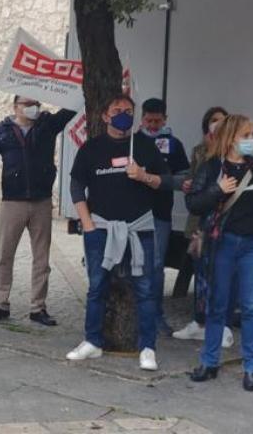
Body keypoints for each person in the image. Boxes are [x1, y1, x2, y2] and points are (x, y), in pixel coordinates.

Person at [186, 114, 253, 392]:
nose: (251, 140)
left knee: (250, 306)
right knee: (217, 305)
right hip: (222, 244)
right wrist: (217, 190)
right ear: (232, 137)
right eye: (246, 135)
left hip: (252, 247)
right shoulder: (212, 167)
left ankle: (252, 368)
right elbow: (194, 203)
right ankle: (209, 362)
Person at [66, 94, 170, 372]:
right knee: (97, 286)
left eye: (128, 110)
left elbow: (169, 181)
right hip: (101, 228)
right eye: (117, 110)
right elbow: (76, 185)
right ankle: (92, 341)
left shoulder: (146, 147)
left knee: (146, 289)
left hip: (140, 229)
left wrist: (145, 176)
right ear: (105, 116)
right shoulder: (91, 148)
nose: (123, 114)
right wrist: (87, 223)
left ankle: (147, 347)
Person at [0, 96, 76, 326]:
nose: (33, 107)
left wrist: (75, 88)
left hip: (41, 200)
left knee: (41, 258)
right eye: (27, 103)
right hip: (12, 201)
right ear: (15, 106)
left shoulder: (47, 124)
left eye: (36, 102)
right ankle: (0, 304)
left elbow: (70, 110)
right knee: (5, 255)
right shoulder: (2, 131)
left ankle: (38, 307)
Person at [173, 107, 234, 347]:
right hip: (201, 221)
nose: (217, 125)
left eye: (221, 121)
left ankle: (222, 326)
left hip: (225, 222)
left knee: (222, 277)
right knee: (201, 276)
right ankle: (198, 322)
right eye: (213, 121)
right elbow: (196, 183)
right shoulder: (200, 151)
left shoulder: (235, 151)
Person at [137, 98, 191, 336]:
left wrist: (157, 180)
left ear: (165, 119)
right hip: (132, 214)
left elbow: (185, 181)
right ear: (142, 118)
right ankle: (133, 314)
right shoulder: (132, 142)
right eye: (148, 120)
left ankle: (156, 316)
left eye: (157, 121)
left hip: (160, 214)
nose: (152, 125)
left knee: (156, 266)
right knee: (133, 265)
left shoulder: (174, 145)